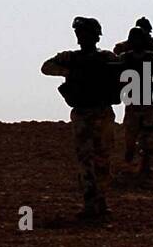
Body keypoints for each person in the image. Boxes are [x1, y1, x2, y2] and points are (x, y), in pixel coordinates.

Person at [41, 17, 123, 220]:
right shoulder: (71, 58)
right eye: (80, 33)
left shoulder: (107, 57)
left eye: (86, 33)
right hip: (84, 113)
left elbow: (124, 71)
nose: (82, 37)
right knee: (87, 160)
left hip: (101, 112)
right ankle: (90, 202)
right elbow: (46, 67)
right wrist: (70, 72)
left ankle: (100, 201)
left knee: (102, 158)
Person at [113, 25, 153, 181]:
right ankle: (129, 165)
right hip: (133, 102)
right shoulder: (125, 57)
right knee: (130, 138)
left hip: (148, 102)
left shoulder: (150, 57)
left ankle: (145, 167)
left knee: (149, 138)